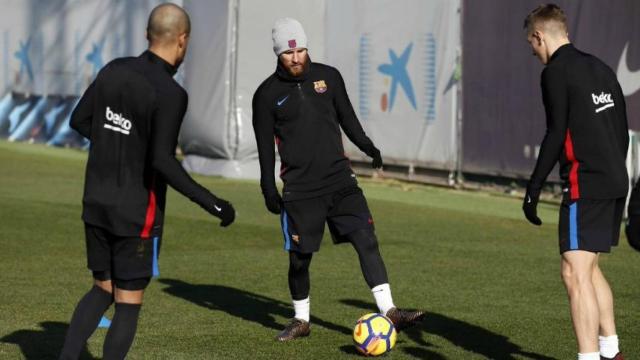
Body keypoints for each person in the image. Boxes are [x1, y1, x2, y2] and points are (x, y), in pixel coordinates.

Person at [59, 4, 235, 359]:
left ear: (147, 35)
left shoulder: (113, 69)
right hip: (134, 214)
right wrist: (213, 202)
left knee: (101, 289)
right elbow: (161, 162)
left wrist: (117, 144)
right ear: (182, 40)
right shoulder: (171, 93)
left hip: (95, 203)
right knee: (127, 302)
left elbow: (80, 120)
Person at [252, 18, 425, 342]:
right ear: (278, 54)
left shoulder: (328, 77)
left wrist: (368, 146)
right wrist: (267, 188)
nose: (297, 58)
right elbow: (264, 146)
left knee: (366, 239)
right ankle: (301, 320)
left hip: (340, 181)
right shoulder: (266, 95)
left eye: (302, 50)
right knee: (300, 260)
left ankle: (390, 311)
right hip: (301, 190)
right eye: (290, 53)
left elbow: (347, 118)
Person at [522, 4, 628, 360]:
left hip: (586, 183)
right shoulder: (601, 67)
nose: (533, 53)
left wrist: (533, 188)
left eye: (531, 45)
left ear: (540, 36)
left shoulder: (555, 72)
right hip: (614, 179)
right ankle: (611, 350)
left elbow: (555, 134)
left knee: (573, 271)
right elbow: (621, 132)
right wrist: (615, 171)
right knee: (589, 268)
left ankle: (588, 356)